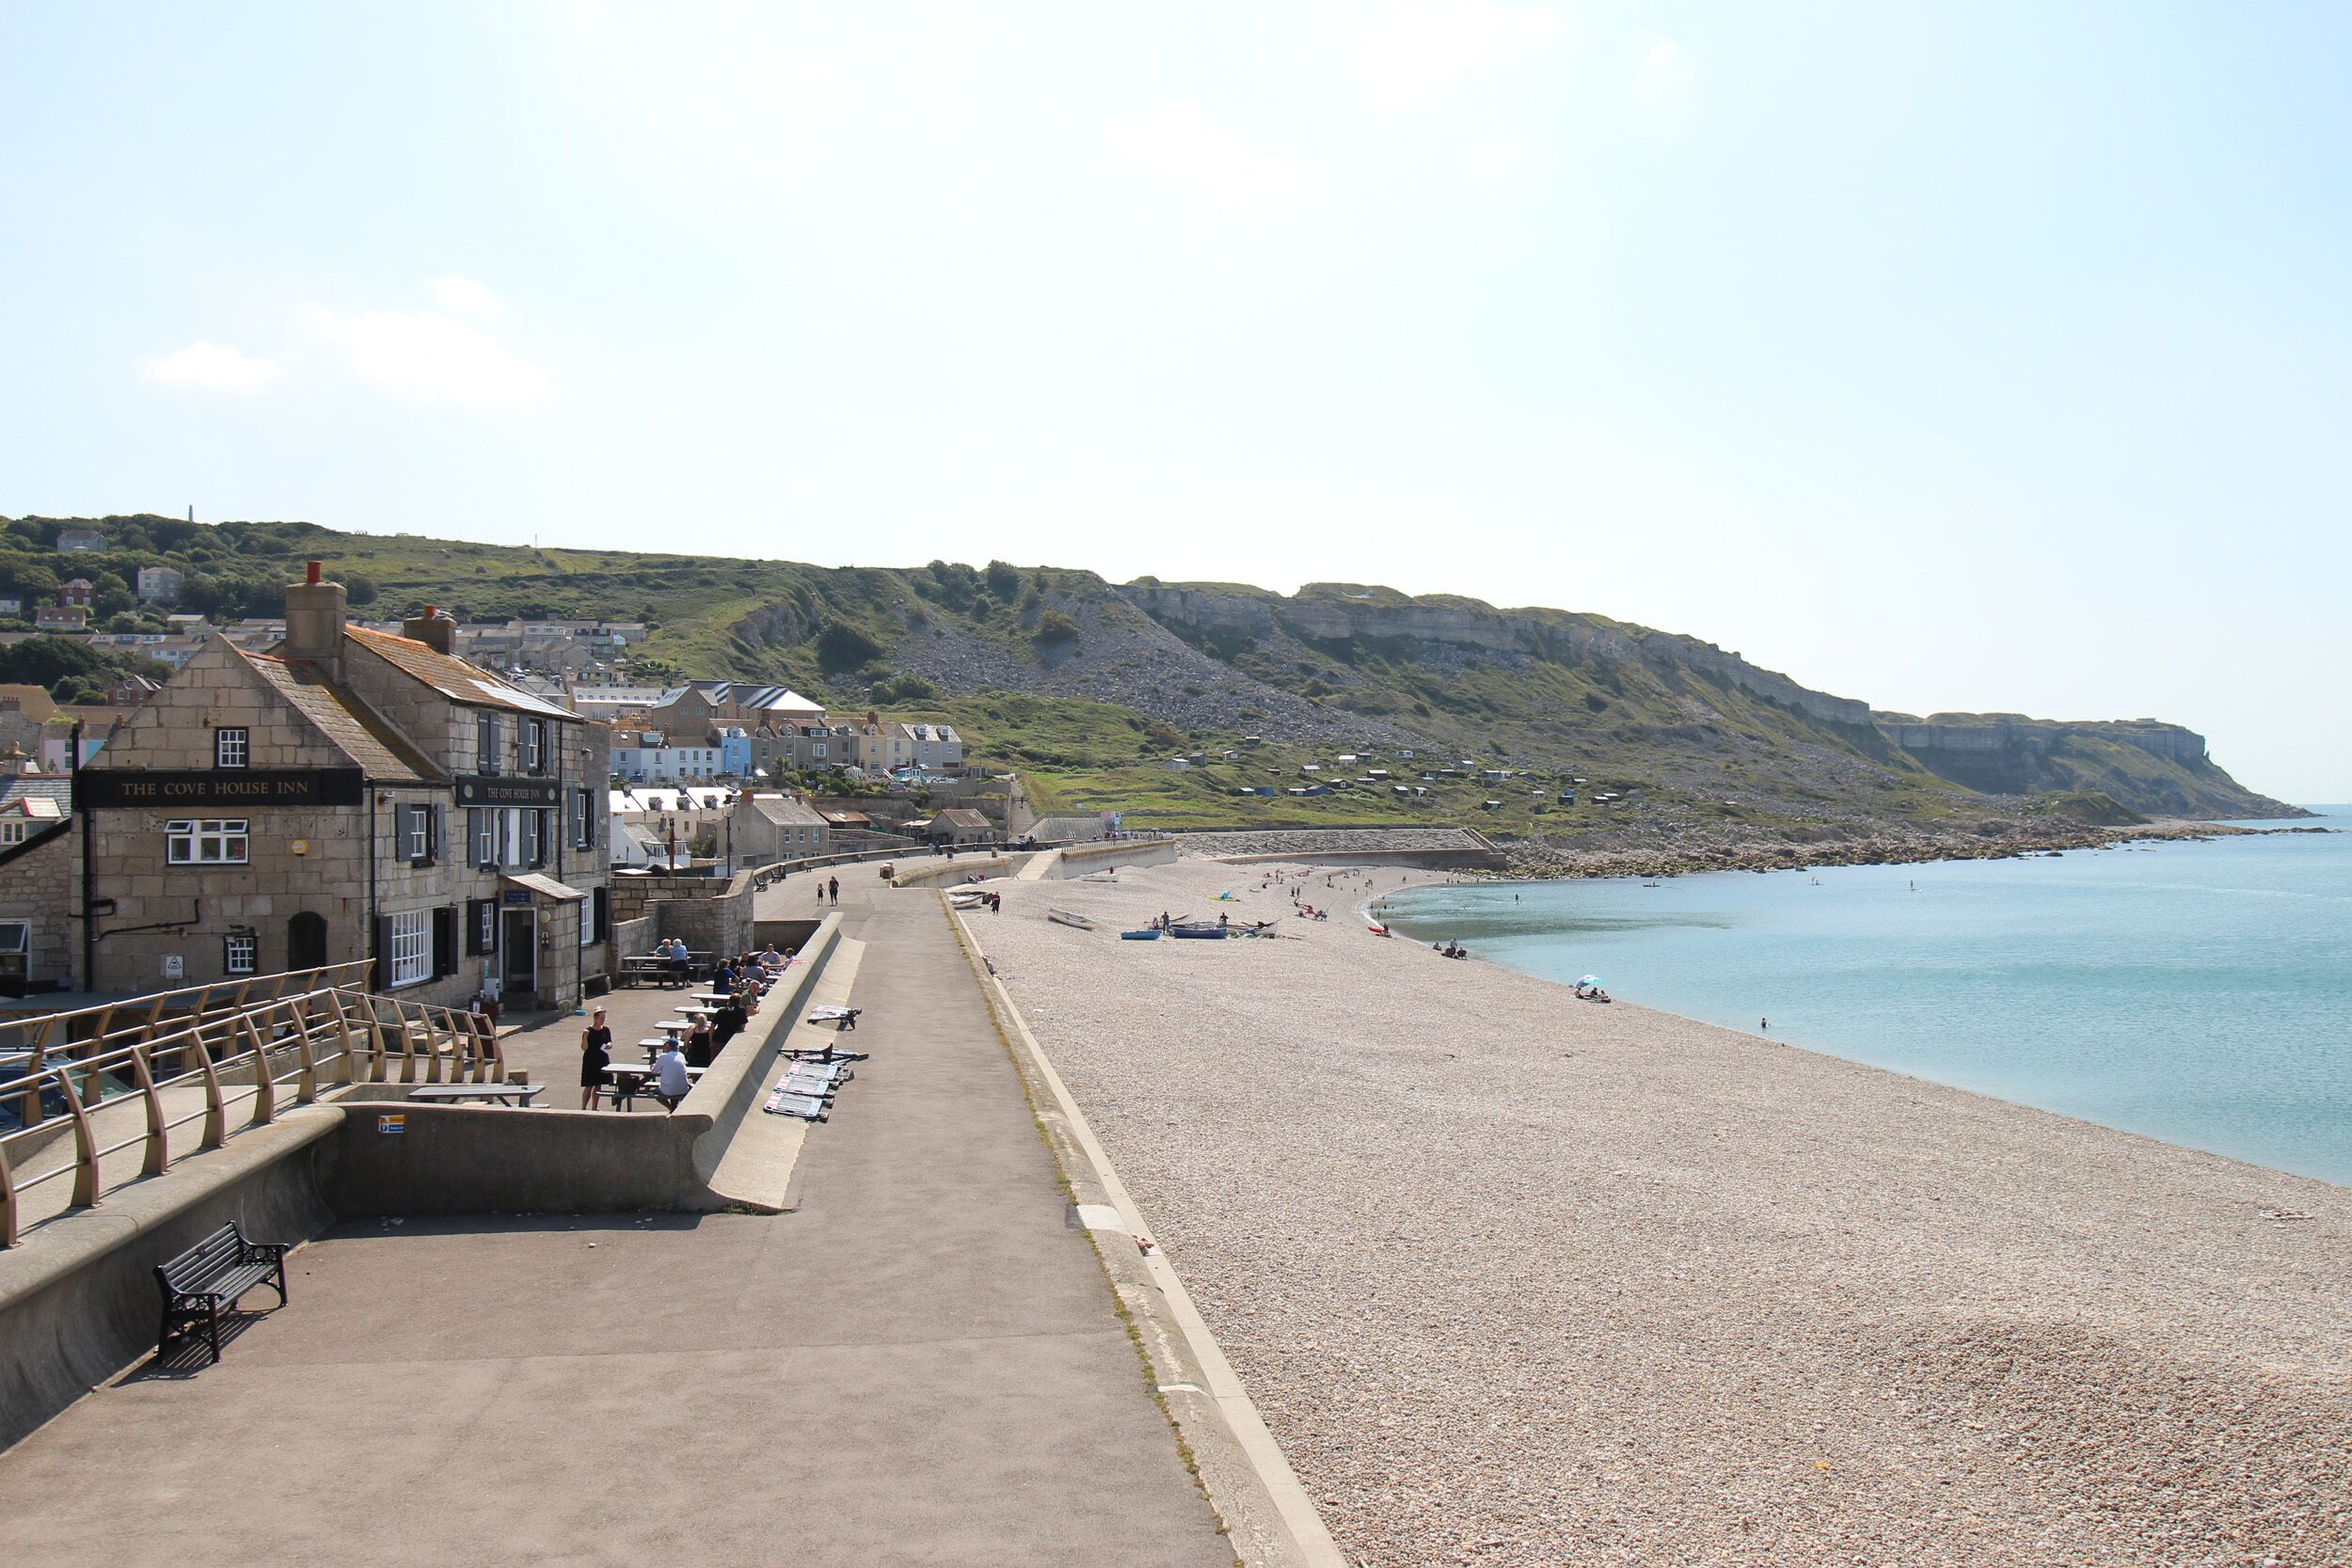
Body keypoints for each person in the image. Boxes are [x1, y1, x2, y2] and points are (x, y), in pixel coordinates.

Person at [579, 1008, 612, 1111]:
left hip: (602, 1059)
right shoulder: (588, 1031)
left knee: (598, 1085)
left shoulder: (606, 1029)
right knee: (589, 1085)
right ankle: (583, 1107)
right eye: (601, 1018)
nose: (603, 1020)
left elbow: (610, 1042)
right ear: (595, 1018)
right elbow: (584, 1048)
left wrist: (609, 1045)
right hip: (590, 1060)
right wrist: (585, 1037)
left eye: (604, 1018)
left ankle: (594, 1107)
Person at [654, 1040, 691, 1112]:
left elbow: (654, 1071)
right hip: (683, 1089)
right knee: (675, 1085)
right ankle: (674, 1108)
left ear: (668, 1046)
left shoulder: (663, 1056)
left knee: (656, 1091)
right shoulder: (681, 1055)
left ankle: (671, 1108)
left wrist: (653, 1066)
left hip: (669, 1091)